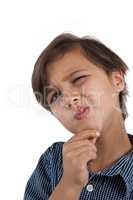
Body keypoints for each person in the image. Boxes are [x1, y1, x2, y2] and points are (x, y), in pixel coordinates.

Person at [23, 33, 133, 200]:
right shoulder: (51, 162)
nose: (68, 99)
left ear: (117, 80)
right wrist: (69, 185)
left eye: (79, 78)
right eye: (55, 96)